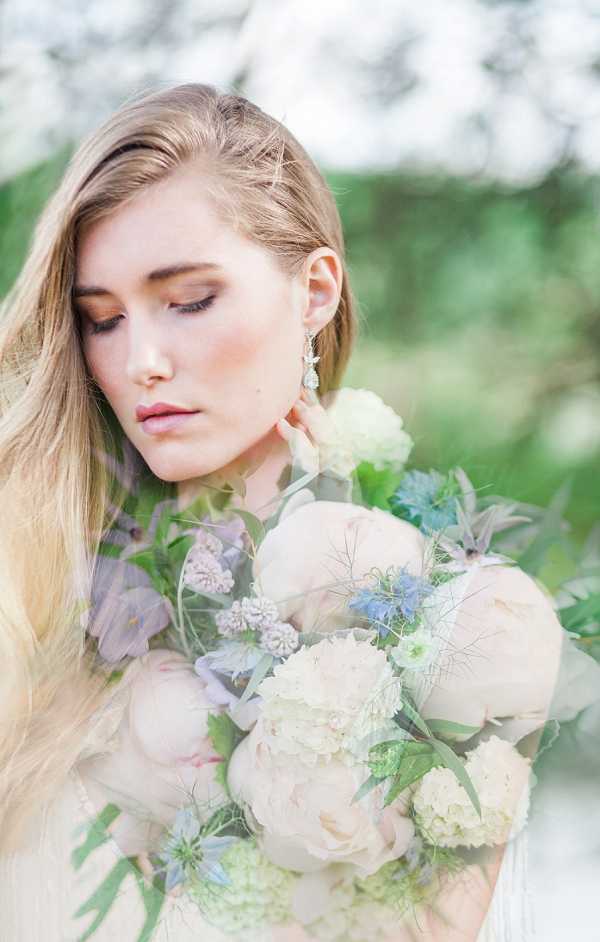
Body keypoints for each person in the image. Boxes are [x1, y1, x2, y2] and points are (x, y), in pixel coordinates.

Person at [0, 82, 558, 942]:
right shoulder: (29, 585)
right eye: (100, 319)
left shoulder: (470, 620)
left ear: (317, 291)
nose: (141, 360)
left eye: (189, 301)